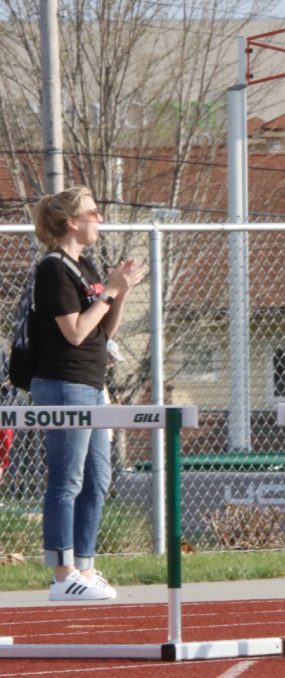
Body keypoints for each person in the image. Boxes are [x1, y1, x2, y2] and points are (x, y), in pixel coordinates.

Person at [30, 186, 148, 601]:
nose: (99, 218)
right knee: (68, 478)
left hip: (92, 384)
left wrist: (121, 289)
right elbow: (75, 333)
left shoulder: (87, 266)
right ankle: (63, 574)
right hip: (63, 384)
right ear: (72, 222)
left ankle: (85, 565)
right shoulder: (53, 268)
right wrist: (111, 291)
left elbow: (102, 333)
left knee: (99, 478)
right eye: (93, 212)